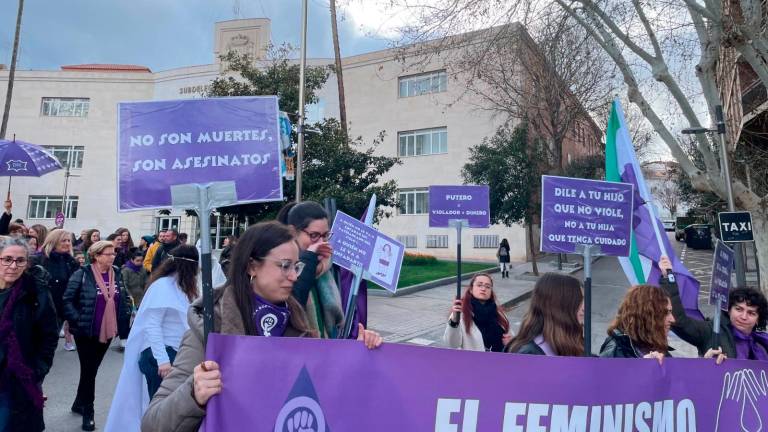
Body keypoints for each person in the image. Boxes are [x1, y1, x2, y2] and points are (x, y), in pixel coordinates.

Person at [141, 222, 383, 431]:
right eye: (284, 265)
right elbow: (153, 423)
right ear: (251, 266)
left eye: (296, 267)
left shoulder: (300, 326)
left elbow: (327, 398)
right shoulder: (209, 328)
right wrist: (193, 394)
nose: (294, 276)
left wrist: (359, 357)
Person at [106, 245, 200, 431]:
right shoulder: (162, 286)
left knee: (172, 411)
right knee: (159, 412)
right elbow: (152, 326)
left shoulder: (185, 286)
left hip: (177, 353)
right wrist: (162, 360)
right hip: (161, 356)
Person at [63, 240, 132, 431]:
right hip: (86, 331)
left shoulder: (116, 272)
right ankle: (88, 411)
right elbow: (67, 300)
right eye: (108, 253)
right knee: (89, 370)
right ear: (96, 255)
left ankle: (79, 402)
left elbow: (122, 296)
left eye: (114, 253)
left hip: (108, 330)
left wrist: (124, 313)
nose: (113, 256)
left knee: (90, 370)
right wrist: (77, 320)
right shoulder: (82, 274)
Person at [0, 237, 59, 432]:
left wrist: (38, 370)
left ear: (27, 263)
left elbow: (49, 335)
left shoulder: (36, 291)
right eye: (7, 259)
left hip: (17, 377)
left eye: (20, 260)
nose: (13, 265)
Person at [659, 256, 768, 360]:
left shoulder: (762, 343)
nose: (743, 317)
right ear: (729, 310)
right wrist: (668, 278)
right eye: (739, 309)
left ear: (758, 319)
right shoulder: (711, 331)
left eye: (751, 313)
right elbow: (680, 322)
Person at [505, 273, 585, 356]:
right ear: (559, 306)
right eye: (579, 301)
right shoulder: (529, 355)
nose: (584, 308)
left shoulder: (572, 337)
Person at [31, 230, 81, 352]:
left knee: (49, 343)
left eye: (69, 240)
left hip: (59, 310)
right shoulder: (39, 259)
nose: (68, 243)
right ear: (53, 241)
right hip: (39, 308)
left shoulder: (71, 262)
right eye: (64, 240)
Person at [599, 284, 675, 363]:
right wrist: (640, 367)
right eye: (666, 313)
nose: (673, 319)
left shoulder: (655, 346)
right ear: (646, 316)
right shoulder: (614, 354)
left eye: (670, 312)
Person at [444, 273, 512, 351]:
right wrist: (454, 321)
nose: (483, 289)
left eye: (488, 286)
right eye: (479, 285)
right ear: (471, 289)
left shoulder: (499, 312)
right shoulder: (460, 313)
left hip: (499, 360)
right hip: (474, 361)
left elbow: (510, 335)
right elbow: (452, 344)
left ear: (491, 291)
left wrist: (511, 342)